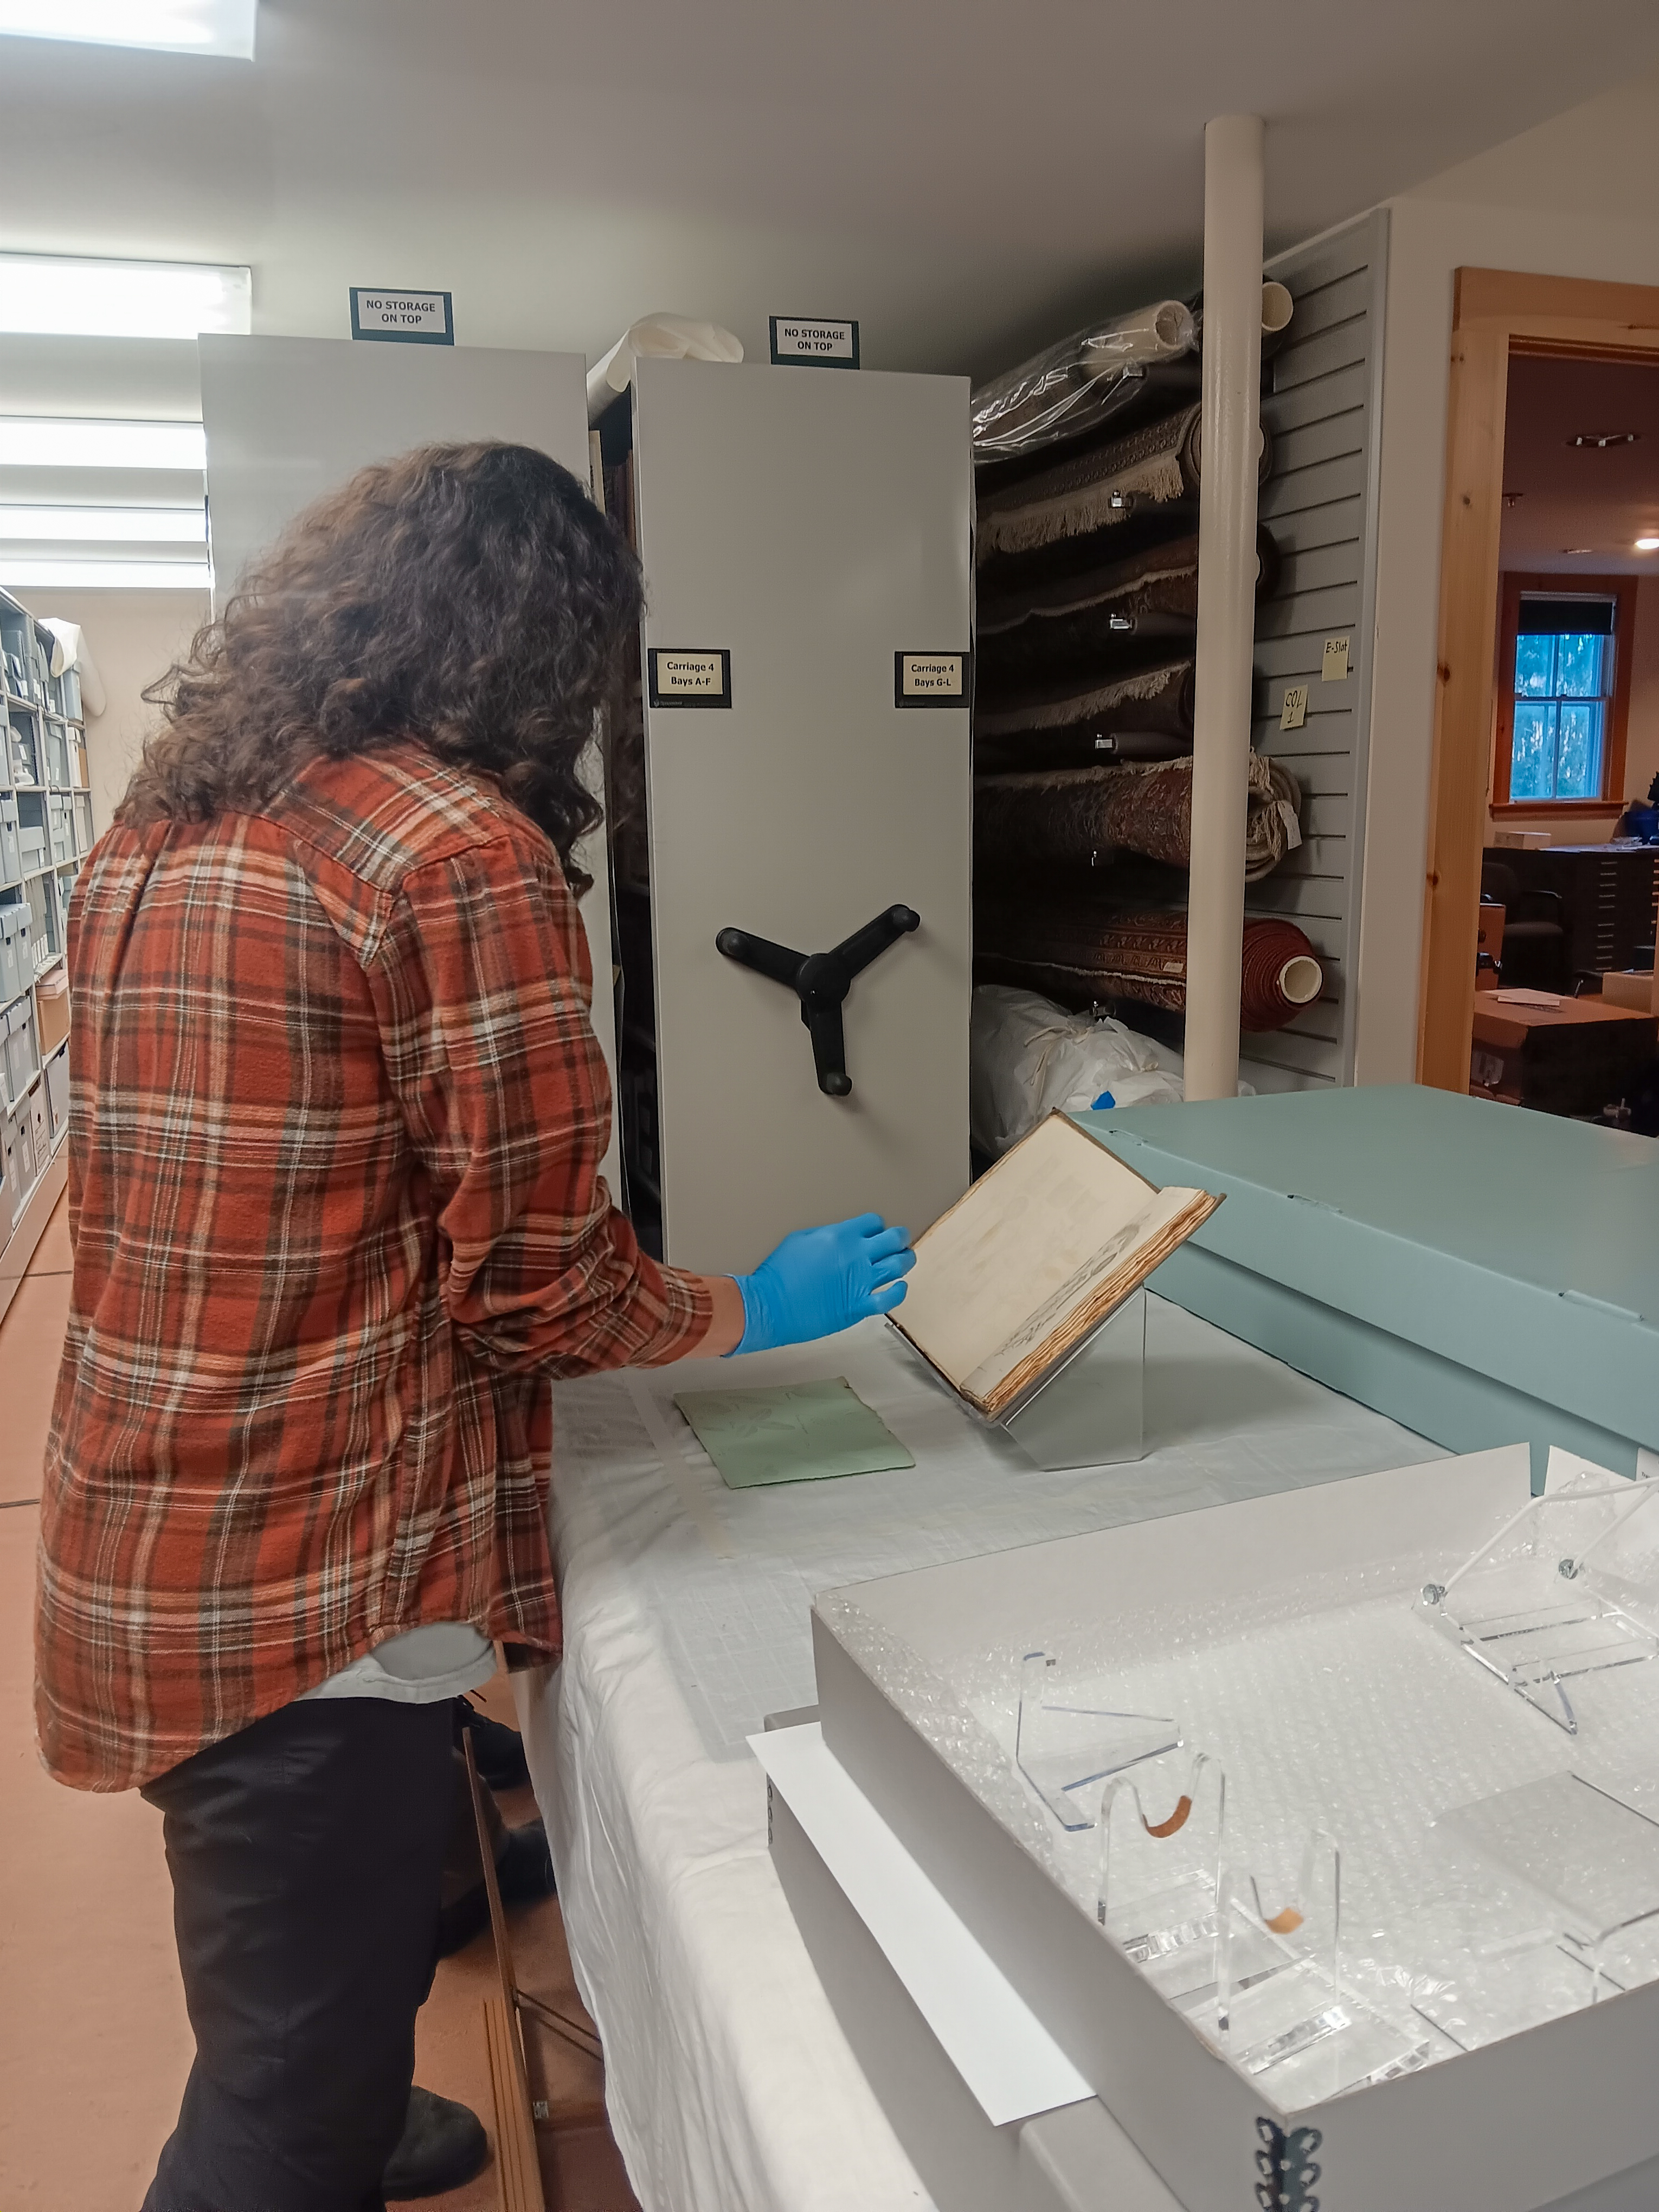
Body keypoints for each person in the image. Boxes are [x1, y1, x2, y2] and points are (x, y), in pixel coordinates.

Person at [33, 442, 915, 2210]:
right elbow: (538, 1286)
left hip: (155, 1507)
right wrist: (756, 1302)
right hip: (315, 1562)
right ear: (539, 650)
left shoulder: (168, 823)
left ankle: (349, 2104)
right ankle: (313, 2133)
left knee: (310, 1946)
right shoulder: (459, 853)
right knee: (277, 2088)